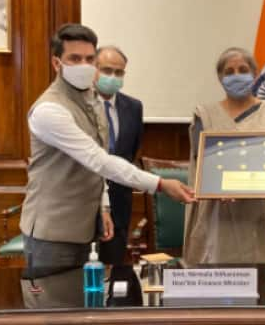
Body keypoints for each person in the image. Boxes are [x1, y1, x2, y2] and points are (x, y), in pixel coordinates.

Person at [20, 23, 194, 272]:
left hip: (85, 229)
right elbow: (99, 160)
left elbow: (95, 167)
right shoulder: (50, 110)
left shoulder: (90, 99)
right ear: (57, 64)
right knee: (56, 308)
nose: (84, 65)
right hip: (52, 234)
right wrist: (160, 184)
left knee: (90, 303)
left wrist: (102, 206)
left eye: (89, 59)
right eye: (75, 58)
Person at [182, 47, 265, 265]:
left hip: (262, 212)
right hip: (217, 214)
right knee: (218, 281)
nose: (236, 75)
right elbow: (202, 160)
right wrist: (220, 186)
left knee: (260, 282)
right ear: (220, 78)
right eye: (229, 71)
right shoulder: (205, 115)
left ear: (254, 73)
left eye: (243, 69)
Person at [92, 45, 144, 265]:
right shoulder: (79, 105)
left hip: (120, 203)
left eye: (118, 72)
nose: (112, 77)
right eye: (106, 70)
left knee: (114, 271)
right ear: (93, 69)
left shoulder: (134, 107)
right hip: (86, 203)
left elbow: (130, 153)